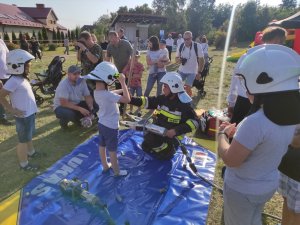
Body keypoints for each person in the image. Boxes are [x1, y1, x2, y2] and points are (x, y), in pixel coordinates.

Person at [217, 44, 300, 225]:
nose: (245, 91)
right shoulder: (292, 118)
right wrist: (241, 135)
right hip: (266, 185)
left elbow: (231, 160)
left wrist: (222, 135)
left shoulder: (255, 122)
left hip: (242, 189)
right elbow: (274, 141)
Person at [129, 72, 199, 160]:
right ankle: (160, 148)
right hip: (160, 131)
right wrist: (130, 99)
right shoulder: (163, 98)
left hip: (173, 137)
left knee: (164, 154)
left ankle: (169, 150)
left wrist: (175, 131)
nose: (163, 89)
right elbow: (148, 101)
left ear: (173, 88)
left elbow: (195, 122)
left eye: (165, 87)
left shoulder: (184, 104)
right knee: (146, 143)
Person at [227, 26, 287, 124]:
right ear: (267, 40)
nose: (280, 45)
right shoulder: (248, 56)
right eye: (277, 41)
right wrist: (231, 102)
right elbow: (236, 79)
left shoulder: (282, 59)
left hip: (267, 102)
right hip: (244, 100)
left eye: (282, 42)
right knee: (236, 130)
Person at [84, 61, 130, 176]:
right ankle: (117, 171)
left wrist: (121, 89)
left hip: (102, 124)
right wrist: (123, 83)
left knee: (102, 145)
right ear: (107, 80)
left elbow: (111, 93)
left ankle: (105, 165)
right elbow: (127, 99)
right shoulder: (108, 95)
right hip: (111, 127)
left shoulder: (97, 92)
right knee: (113, 150)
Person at [0, 49, 40, 171]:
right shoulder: (13, 81)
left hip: (29, 114)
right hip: (23, 116)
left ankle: (31, 152)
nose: (29, 68)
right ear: (17, 66)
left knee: (28, 136)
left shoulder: (21, 78)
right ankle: (24, 164)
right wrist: (11, 110)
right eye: (27, 66)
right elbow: (1, 95)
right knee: (22, 140)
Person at [53, 65, 96, 129]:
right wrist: (80, 109)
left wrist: (91, 107)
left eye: (79, 73)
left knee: (95, 105)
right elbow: (64, 103)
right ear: (69, 75)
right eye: (75, 74)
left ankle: (88, 118)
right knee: (70, 113)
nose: (77, 76)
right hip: (60, 107)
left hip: (75, 103)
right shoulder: (63, 85)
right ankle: (65, 122)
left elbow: (87, 96)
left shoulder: (82, 81)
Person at [105, 31, 133, 113]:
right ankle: (121, 106)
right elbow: (107, 59)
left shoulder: (126, 44)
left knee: (127, 87)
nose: (112, 42)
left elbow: (132, 56)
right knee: (118, 87)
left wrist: (126, 68)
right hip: (117, 71)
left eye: (114, 40)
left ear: (118, 37)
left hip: (127, 70)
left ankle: (129, 104)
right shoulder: (109, 46)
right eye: (110, 40)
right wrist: (108, 68)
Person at [278, 125, 300, 225]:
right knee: (287, 201)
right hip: (288, 168)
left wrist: (278, 132)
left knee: (297, 213)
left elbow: (297, 142)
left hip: (297, 176)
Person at [175, 31, 205, 97]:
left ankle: (188, 102)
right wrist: (178, 60)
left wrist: (199, 72)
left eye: (188, 39)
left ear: (191, 38)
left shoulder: (197, 46)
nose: (186, 41)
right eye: (184, 39)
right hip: (181, 70)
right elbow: (176, 58)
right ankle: (178, 100)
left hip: (192, 71)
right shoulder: (181, 46)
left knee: (187, 87)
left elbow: (201, 60)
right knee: (175, 84)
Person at [122, 51, 145, 117]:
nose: (135, 58)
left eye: (136, 57)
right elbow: (124, 73)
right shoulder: (128, 65)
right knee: (130, 97)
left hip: (138, 84)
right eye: (134, 57)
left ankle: (139, 111)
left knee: (139, 97)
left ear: (138, 57)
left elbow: (140, 76)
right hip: (130, 85)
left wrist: (130, 74)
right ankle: (131, 111)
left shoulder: (140, 65)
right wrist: (129, 74)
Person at [0, 37, 12, 125]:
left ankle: (15, 110)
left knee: (13, 92)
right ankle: (2, 118)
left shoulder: (1, 41)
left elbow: (8, 54)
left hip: (7, 74)